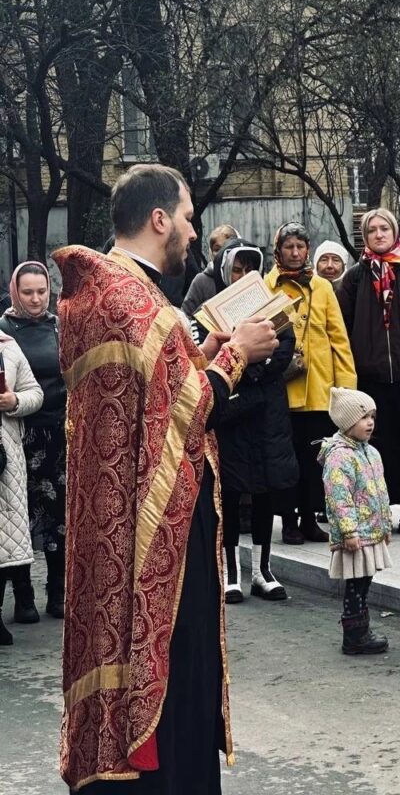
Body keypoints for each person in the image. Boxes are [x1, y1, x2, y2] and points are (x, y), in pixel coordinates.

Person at [53, 163, 278, 794]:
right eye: (186, 217)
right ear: (159, 220)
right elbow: (187, 409)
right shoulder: (139, 304)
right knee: (175, 673)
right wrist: (237, 354)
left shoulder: (107, 294)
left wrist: (199, 353)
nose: (192, 231)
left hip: (117, 513)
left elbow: (148, 398)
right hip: (161, 535)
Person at [210, 239, 298, 602]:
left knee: (266, 489)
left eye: (250, 268)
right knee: (230, 493)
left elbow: (286, 344)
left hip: (267, 411)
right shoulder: (214, 311)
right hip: (233, 413)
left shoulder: (272, 305)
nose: (244, 275)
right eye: (237, 268)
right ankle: (231, 572)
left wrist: (256, 370)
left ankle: (263, 570)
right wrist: (243, 365)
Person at [337, 208, 400, 534]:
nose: (378, 234)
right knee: (377, 444)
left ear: (394, 232)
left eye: (384, 228)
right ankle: (379, 505)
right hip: (371, 377)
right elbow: (343, 327)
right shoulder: (355, 277)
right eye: (372, 230)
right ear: (364, 236)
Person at [265, 222, 357, 545]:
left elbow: (338, 338)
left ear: (308, 250)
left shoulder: (323, 287)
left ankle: (309, 518)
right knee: (286, 460)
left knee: (315, 458)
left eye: (300, 247)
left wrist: (345, 387)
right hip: (282, 388)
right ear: (278, 250)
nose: (295, 253)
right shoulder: (267, 285)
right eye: (288, 247)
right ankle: (288, 521)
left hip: (319, 387)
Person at [0, 261, 67, 622]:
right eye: (28, 292)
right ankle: (23, 596)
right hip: (17, 434)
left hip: (57, 432)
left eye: (42, 291)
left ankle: (58, 592)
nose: (36, 299)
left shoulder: (59, 326)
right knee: (18, 516)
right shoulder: (4, 331)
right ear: (15, 292)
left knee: (58, 516)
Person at [319, 387, 392, 655]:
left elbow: (381, 491)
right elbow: (339, 497)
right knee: (356, 584)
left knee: (365, 581)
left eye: (372, 416)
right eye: (363, 417)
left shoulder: (370, 452)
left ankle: (361, 630)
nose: (370, 422)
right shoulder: (340, 456)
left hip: (371, 530)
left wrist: (385, 523)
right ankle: (354, 634)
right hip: (357, 533)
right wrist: (349, 531)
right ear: (346, 421)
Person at [0, 330, 43, 645]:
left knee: (4, 542)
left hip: (5, 457)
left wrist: (14, 401)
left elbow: (34, 392)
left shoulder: (8, 345)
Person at [181, 224, 239, 317]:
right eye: (217, 249)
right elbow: (185, 316)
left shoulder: (242, 276)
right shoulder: (201, 280)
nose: (221, 253)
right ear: (211, 252)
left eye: (226, 248)